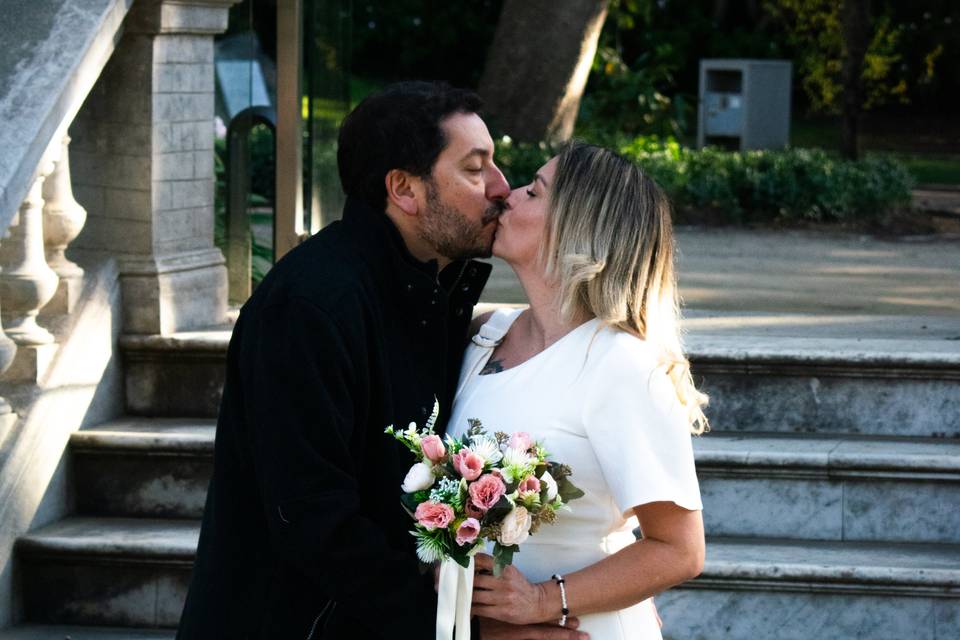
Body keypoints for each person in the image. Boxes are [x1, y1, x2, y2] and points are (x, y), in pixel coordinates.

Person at [447, 142, 707, 639]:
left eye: (534, 190)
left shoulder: (623, 365)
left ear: (577, 227)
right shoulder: (482, 335)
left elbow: (680, 549)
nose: (507, 194)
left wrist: (544, 601)